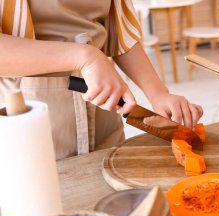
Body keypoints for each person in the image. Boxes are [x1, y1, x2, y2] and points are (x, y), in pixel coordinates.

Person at [0, 0, 203, 159]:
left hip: (104, 104)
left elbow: (120, 33)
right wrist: (86, 57)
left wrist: (158, 94)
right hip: (28, 111)